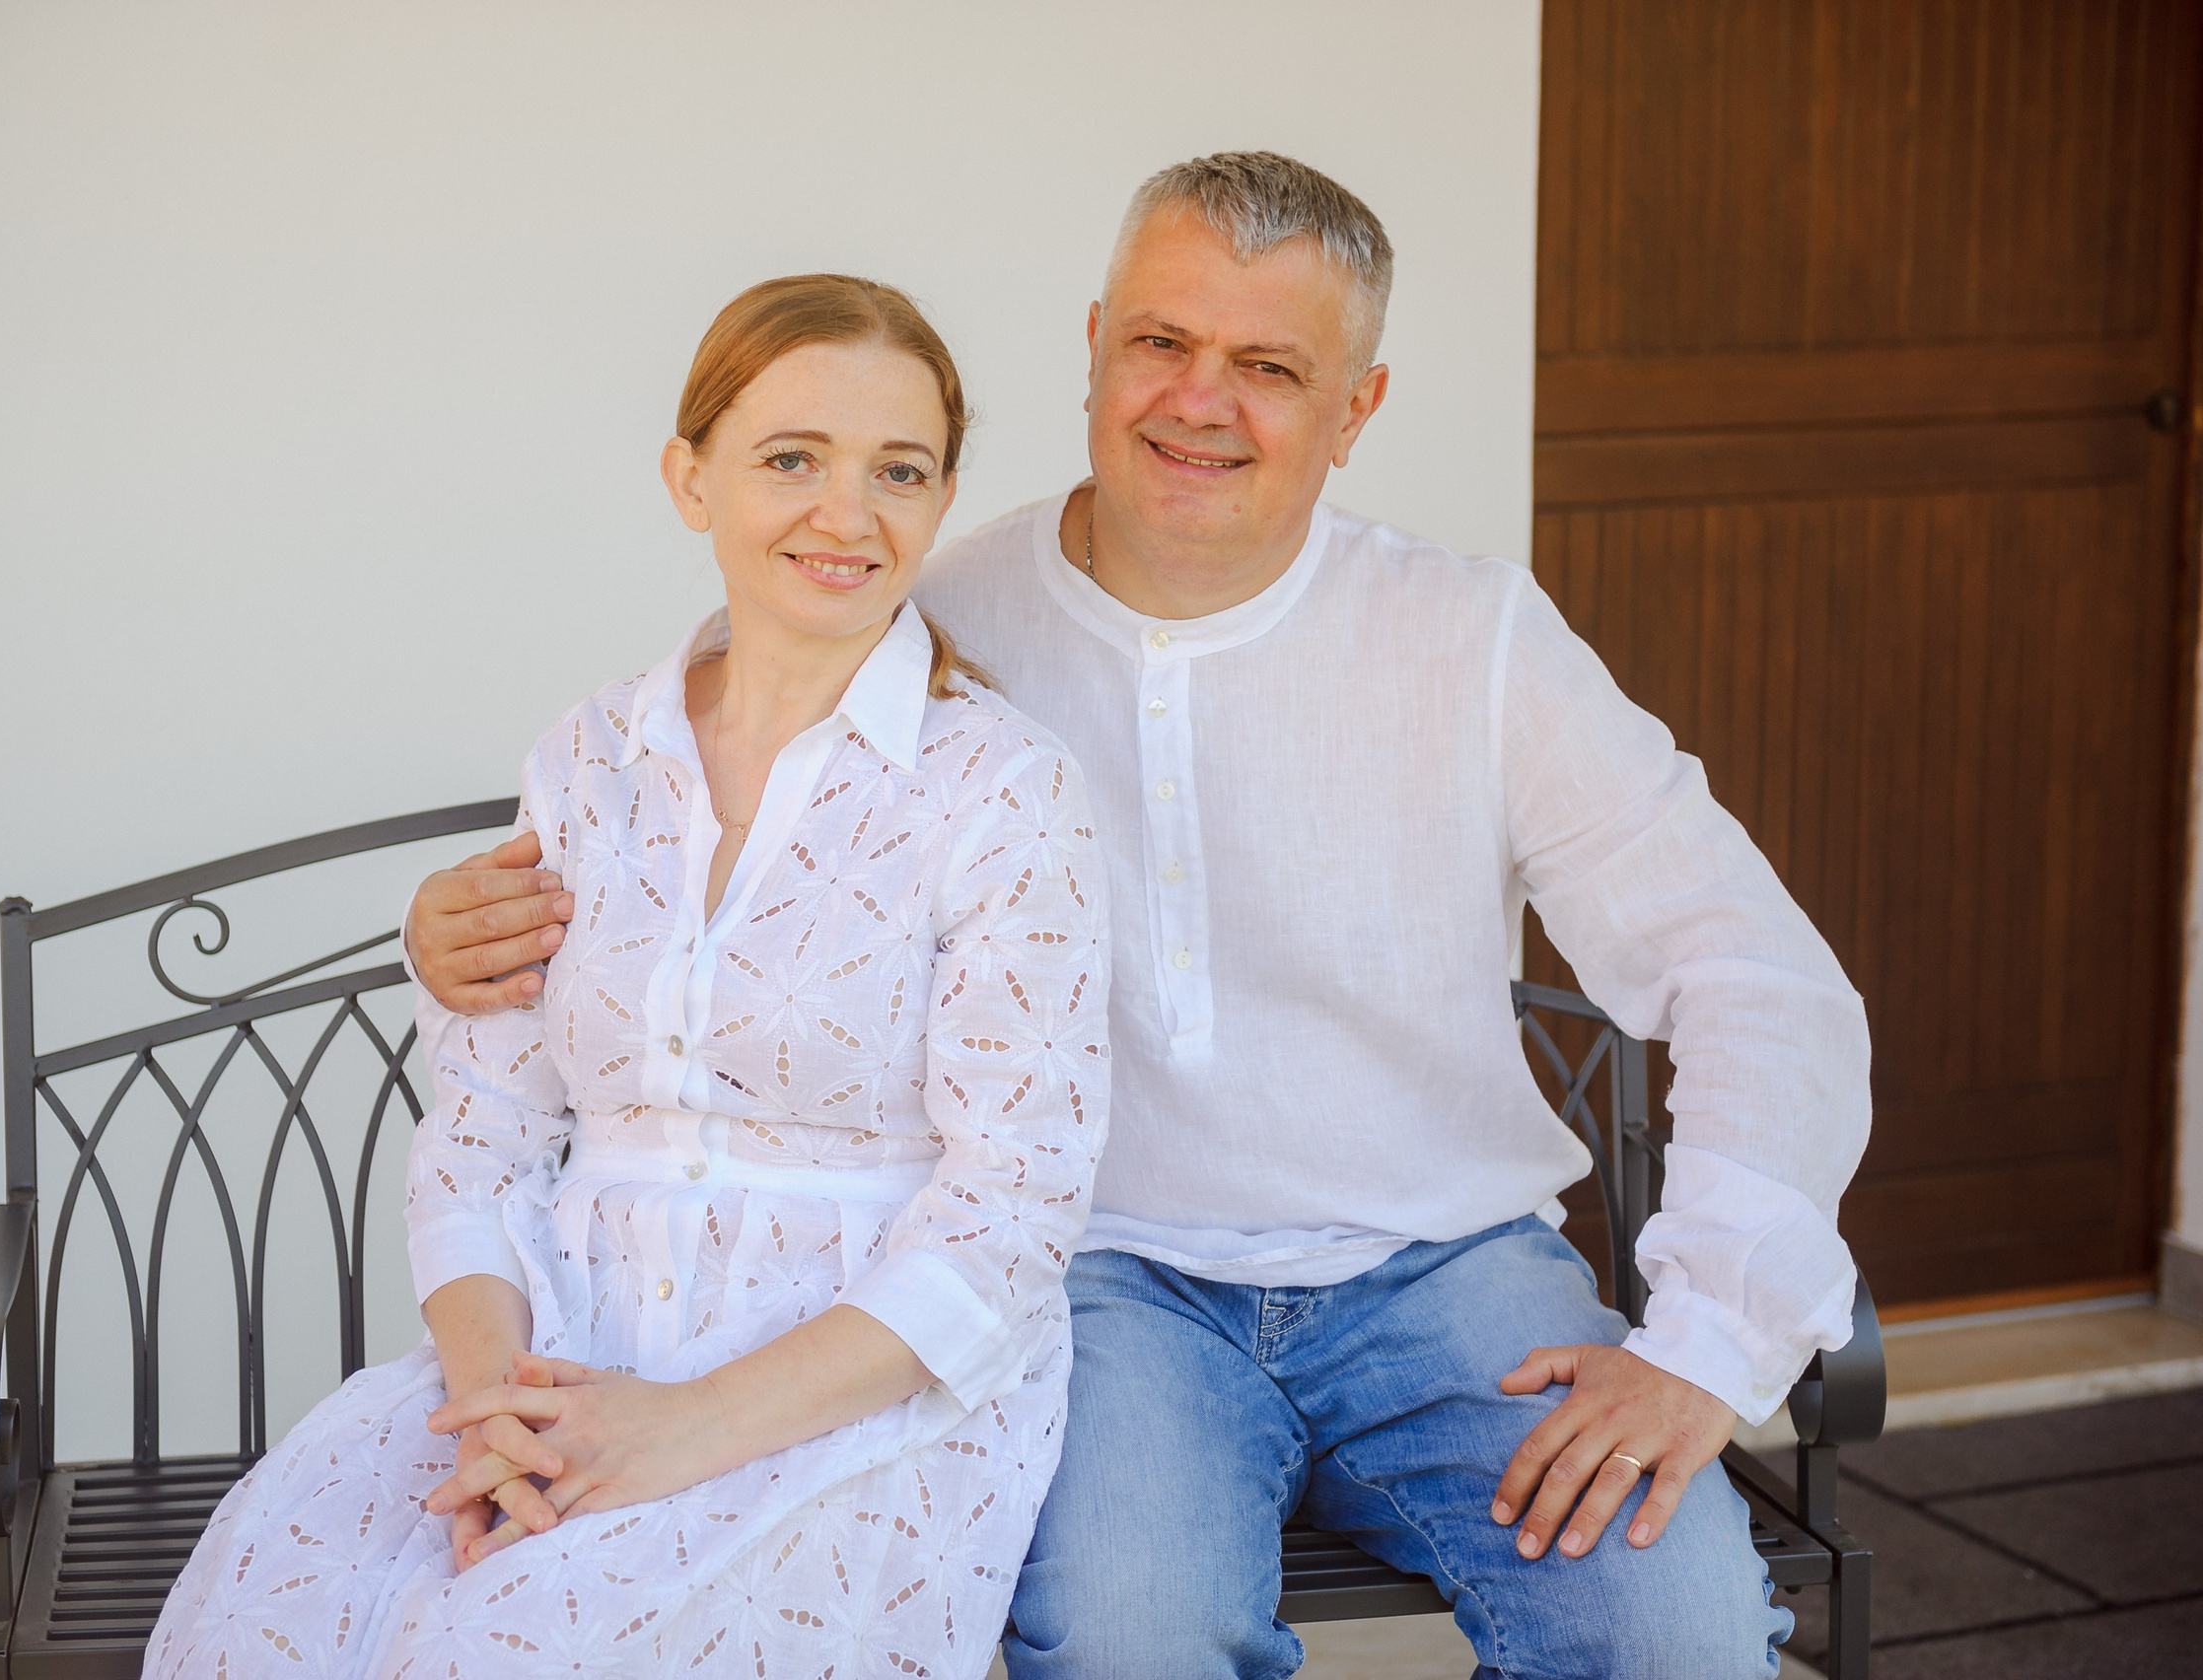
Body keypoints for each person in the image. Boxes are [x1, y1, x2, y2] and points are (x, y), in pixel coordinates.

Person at [406, 153, 1872, 1679]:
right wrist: (457, 934)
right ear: (1096, 343)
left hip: (1447, 1275)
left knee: (1679, 1640)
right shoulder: (939, 616)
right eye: (1162, 344)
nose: (1198, 400)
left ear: (1357, 408)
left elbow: (1756, 971)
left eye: (1270, 366)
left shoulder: (1473, 639)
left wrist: (1706, 1342)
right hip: (1100, 1287)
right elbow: (698, 774)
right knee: (1126, 1641)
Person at [146, 274, 1110, 1680]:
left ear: (943, 498)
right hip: (560, 1349)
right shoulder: (590, 762)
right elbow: (480, 1139)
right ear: (690, 478)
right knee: (291, 1623)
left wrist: (679, 1428)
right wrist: (496, 1413)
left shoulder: (1004, 791)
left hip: (853, 1388)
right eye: (792, 459)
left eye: (899, 471)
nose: (848, 515)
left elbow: (1012, 1218)